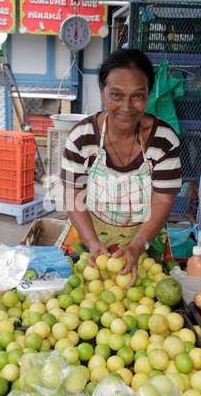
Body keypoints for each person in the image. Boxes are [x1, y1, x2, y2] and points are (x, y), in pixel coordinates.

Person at [58, 48, 182, 288]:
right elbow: (73, 196)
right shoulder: (82, 136)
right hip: (89, 231)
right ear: (102, 93)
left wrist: (137, 246)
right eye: (116, 95)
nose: (127, 107)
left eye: (137, 96)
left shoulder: (164, 139)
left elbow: (163, 202)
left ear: (148, 95)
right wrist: (92, 243)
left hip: (145, 236)